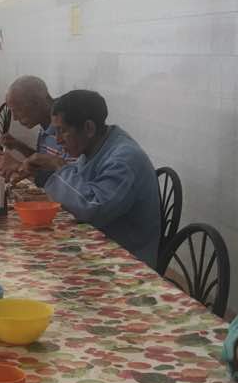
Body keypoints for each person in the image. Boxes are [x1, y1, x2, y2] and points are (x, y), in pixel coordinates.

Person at [22, 90, 161, 268]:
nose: (57, 140)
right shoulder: (97, 144)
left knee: (41, 268)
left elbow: (93, 207)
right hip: (95, 243)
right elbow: (81, 182)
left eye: (62, 131)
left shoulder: (124, 159)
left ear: (89, 128)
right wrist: (40, 173)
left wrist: (59, 166)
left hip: (125, 260)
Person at [0, 75, 69, 185]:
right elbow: (42, 161)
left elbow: (70, 181)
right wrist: (18, 146)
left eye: (18, 110)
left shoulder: (66, 127)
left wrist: (19, 166)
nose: (15, 118)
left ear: (37, 103)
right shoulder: (45, 121)